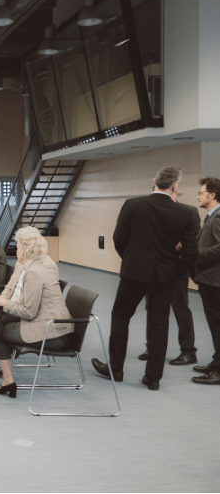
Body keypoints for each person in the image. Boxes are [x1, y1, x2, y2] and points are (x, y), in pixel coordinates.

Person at [91, 166, 199, 391]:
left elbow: (119, 238)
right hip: (165, 276)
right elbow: (190, 252)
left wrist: (131, 260)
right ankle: (153, 378)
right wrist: (174, 271)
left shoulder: (133, 205)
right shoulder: (187, 212)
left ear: (154, 181)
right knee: (159, 324)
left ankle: (116, 370)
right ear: (175, 186)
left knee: (120, 316)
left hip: (134, 272)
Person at [0, 226, 73, 398]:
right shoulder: (31, 266)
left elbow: (30, 312)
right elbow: (16, 295)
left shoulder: (35, 271)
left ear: (25, 250)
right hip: (39, 321)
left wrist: (3, 303)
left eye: (17, 247)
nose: (15, 251)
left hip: (52, 330)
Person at [138, 196, 201, 366]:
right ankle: (152, 347)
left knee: (181, 310)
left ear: (174, 190)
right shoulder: (149, 212)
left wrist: (180, 248)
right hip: (154, 271)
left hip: (177, 270)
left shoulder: (188, 211)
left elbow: (195, 242)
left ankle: (188, 351)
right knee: (152, 309)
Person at [0, 253, 59, 340]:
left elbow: (30, 304)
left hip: (20, 310)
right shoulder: (21, 262)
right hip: (6, 305)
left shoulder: (47, 266)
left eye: (18, 248)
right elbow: (9, 287)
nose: (16, 252)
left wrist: (2, 306)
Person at [192, 177, 220, 385]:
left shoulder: (218, 217)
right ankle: (216, 362)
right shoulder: (212, 216)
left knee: (217, 326)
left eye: (201, 193)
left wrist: (197, 255)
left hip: (214, 281)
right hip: (210, 280)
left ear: (212, 195)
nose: (198, 197)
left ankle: (218, 370)